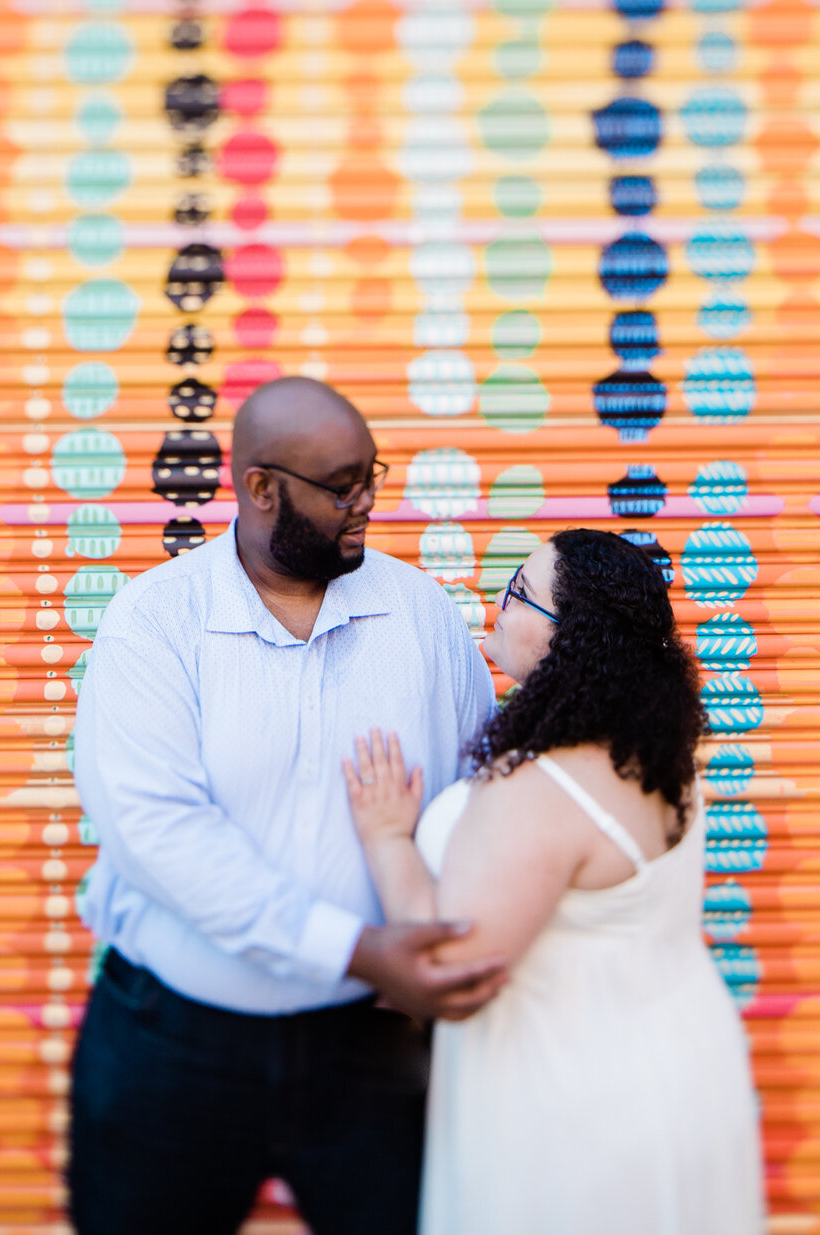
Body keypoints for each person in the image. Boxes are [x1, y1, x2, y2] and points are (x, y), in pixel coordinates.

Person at [68, 376, 503, 1235]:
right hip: (173, 1048)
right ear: (260, 487)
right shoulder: (155, 623)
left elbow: (477, 802)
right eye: (342, 485)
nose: (368, 500)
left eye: (371, 474)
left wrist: (428, 942)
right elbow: (158, 833)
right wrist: (356, 948)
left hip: (372, 1049)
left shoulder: (421, 617)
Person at [343, 527, 767, 1235]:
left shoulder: (542, 786)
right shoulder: (659, 757)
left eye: (518, 594)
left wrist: (388, 837)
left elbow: (451, 966)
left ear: (572, 638)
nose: (496, 606)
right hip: (679, 1068)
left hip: (573, 1101)